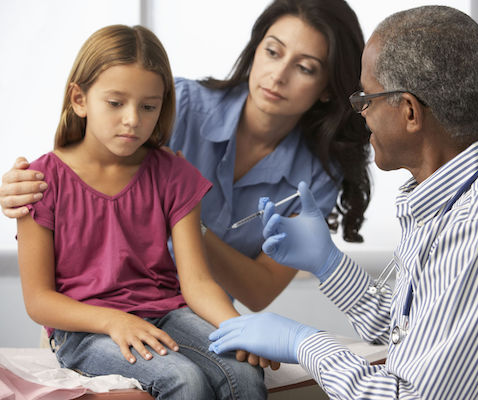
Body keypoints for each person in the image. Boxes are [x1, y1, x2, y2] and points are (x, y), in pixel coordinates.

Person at [208, 6, 478, 399]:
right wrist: (327, 264)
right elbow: (412, 331)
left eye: (366, 98)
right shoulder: (454, 201)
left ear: (410, 112)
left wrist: (302, 341)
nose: (361, 115)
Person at [0, 0, 371, 316]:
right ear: (256, 50)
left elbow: (259, 293)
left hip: (200, 324)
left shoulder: (318, 175)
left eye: (305, 68)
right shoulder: (179, 107)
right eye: (272, 52)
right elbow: (87, 166)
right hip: (96, 318)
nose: (278, 75)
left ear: (327, 89)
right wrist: (24, 185)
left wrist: (187, 220)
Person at [16, 24, 269, 399]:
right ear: (79, 99)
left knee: (244, 374)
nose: (133, 119)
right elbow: (39, 300)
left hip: (167, 313)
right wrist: (113, 320)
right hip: (87, 330)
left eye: (148, 106)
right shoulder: (39, 182)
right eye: (116, 103)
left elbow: (197, 283)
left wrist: (239, 328)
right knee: (184, 379)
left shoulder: (175, 174)